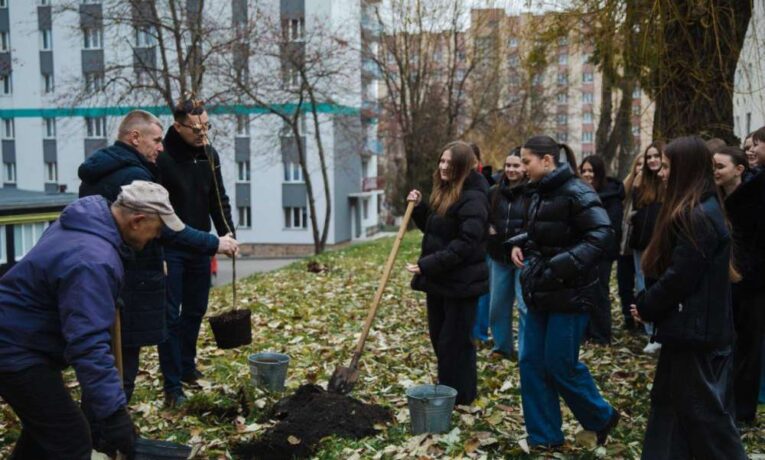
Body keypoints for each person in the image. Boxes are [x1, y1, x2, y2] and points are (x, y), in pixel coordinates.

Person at [0, 181, 183, 459]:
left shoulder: (86, 224)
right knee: (71, 440)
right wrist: (113, 414)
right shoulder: (94, 260)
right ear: (137, 220)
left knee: (45, 432)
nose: (156, 237)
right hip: (15, 348)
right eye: (157, 230)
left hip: (21, 334)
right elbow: (88, 345)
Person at [77, 110, 239, 402]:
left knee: (114, 347)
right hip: (135, 266)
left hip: (109, 266)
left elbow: (217, 199)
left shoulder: (107, 170)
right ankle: (124, 414)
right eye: (155, 139)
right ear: (135, 137)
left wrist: (224, 235)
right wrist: (214, 243)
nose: (160, 146)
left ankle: (111, 418)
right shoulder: (138, 175)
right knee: (129, 348)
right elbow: (169, 228)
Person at [631, 136, 746, 459]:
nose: (662, 172)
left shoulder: (698, 216)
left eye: (667, 166)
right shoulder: (700, 210)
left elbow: (679, 279)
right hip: (690, 332)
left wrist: (646, 304)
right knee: (669, 415)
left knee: (708, 424)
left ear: (684, 168)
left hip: (696, 337)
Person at [510, 135, 619, 448]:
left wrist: (560, 266)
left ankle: (601, 417)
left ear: (547, 161)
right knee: (531, 362)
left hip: (571, 295)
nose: (522, 168)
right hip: (539, 289)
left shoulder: (578, 191)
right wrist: (519, 244)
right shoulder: (539, 192)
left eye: (526, 161)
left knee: (560, 364)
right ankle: (544, 437)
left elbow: (601, 234)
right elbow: (540, 233)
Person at [157, 97, 236, 407]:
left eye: (207, 126)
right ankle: (172, 385)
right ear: (178, 126)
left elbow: (219, 198)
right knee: (170, 318)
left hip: (201, 247)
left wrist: (228, 233)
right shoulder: (162, 159)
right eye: (196, 128)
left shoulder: (208, 154)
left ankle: (187, 366)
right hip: (171, 249)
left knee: (195, 311)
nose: (203, 133)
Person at [406, 140, 489, 406]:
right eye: (441, 161)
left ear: (463, 167)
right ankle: (450, 391)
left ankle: (460, 397)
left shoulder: (474, 197)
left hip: (462, 283)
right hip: (441, 281)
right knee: (440, 339)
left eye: (449, 163)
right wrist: (419, 208)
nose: (443, 167)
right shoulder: (447, 192)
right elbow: (436, 229)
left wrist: (429, 264)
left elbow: (466, 244)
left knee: (455, 343)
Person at [713, 146, 765, 424]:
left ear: (739, 169)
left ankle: (744, 412)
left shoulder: (756, 198)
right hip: (725, 282)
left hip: (753, 285)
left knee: (749, 347)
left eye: (720, 166)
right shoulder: (715, 199)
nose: (715, 172)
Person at [485, 148, 527, 360]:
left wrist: (519, 242)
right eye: (508, 165)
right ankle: (502, 347)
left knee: (524, 306)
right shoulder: (494, 192)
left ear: (525, 167)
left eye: (516, 166)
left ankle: (526, 351)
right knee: (497, 305)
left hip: (523, 258)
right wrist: (489, 227)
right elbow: (485, 216)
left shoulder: (533, 192)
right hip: (498, 256)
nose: (511, 170)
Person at [580, 154, 624, 345]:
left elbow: (611, 227)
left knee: (599, 293)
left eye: (591, 171)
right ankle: (586, 332)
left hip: (602, 253)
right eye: (584, 171)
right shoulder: (579, 192)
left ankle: (601, 335)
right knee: (584, 294)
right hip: (583, 251)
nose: (587, 174)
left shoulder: (611, 196)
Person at [629, 141, 665, 353]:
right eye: (649, 156)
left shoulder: (669, 184)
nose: (652, 160)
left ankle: (661, 333)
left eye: (656, 156)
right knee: (643, 286)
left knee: (660, 287)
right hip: (641, 244)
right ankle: (650, 333)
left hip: (661, 245)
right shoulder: (642, 184)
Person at [617, 153, 644, 331]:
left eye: (644, 165)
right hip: (624, 246)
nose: (641, 168)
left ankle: (642, 319)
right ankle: (629, 318)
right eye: (638, 164)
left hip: (641, 246)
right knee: (624, 286)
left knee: (642, 286)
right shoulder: (625, 189)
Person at [469, 142, 491, 345]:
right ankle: (471, 331)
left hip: (481, 244)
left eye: (472, 160)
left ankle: (480, 333)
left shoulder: (484, 183)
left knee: (482, 292)